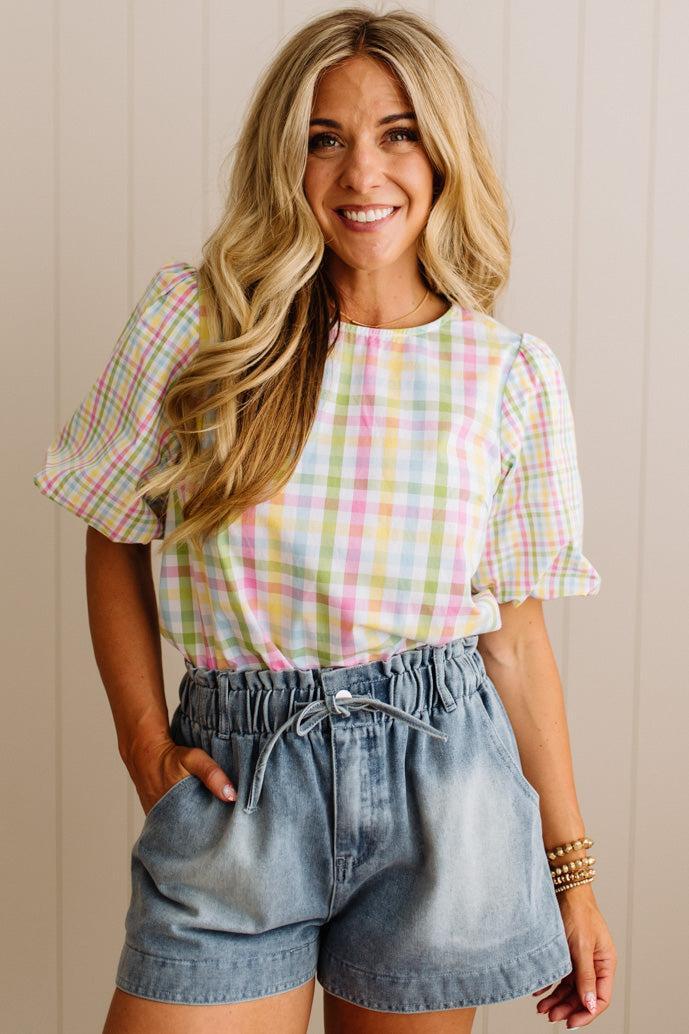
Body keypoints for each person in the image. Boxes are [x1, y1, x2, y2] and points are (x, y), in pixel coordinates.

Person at [32, 6, 617, 1033]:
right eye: (323, 139)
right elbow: (113, 525)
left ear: (440, 152)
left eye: (396, 133)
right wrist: (141, 743)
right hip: (237, 789)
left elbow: (514, 642)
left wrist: (571, 874)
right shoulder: (200, 323)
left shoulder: (505, 374)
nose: (361, 174)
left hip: (441, 794)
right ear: (283, 159)